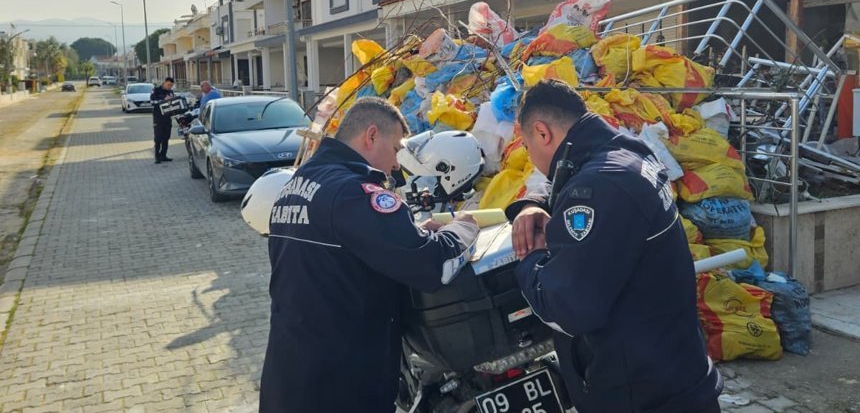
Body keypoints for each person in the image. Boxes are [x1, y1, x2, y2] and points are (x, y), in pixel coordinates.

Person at [507, 80, 722, 413]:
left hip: (644, 395)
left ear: (542, 132)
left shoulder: (598, 187)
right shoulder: (628, 152)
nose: (531, 158)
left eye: (527, 146)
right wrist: (532, 204)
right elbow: (570, 183)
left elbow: (569, 308)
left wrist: (529, 259)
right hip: (675, 371)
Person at [259, 97, 480, 413]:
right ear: (372, 135)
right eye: (395, 149)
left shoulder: (298, 185)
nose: (396, 164)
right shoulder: (354, 193)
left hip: (289, 376)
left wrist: (411, 231)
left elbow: (340, 248)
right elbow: (433, 264)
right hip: (341, 387)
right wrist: (462, 228)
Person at [150, 77, 175, 163]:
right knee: (158, 138)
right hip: (158, 118)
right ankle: (157, 157)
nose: (170, 87)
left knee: (166, 138)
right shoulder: (156, 90)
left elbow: (172, 104)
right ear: (164, 83)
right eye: (168, 85)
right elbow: (152, 102)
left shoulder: (170, 92)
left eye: (171, 85)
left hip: (167, 118)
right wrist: (163, 100)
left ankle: (163, 155)